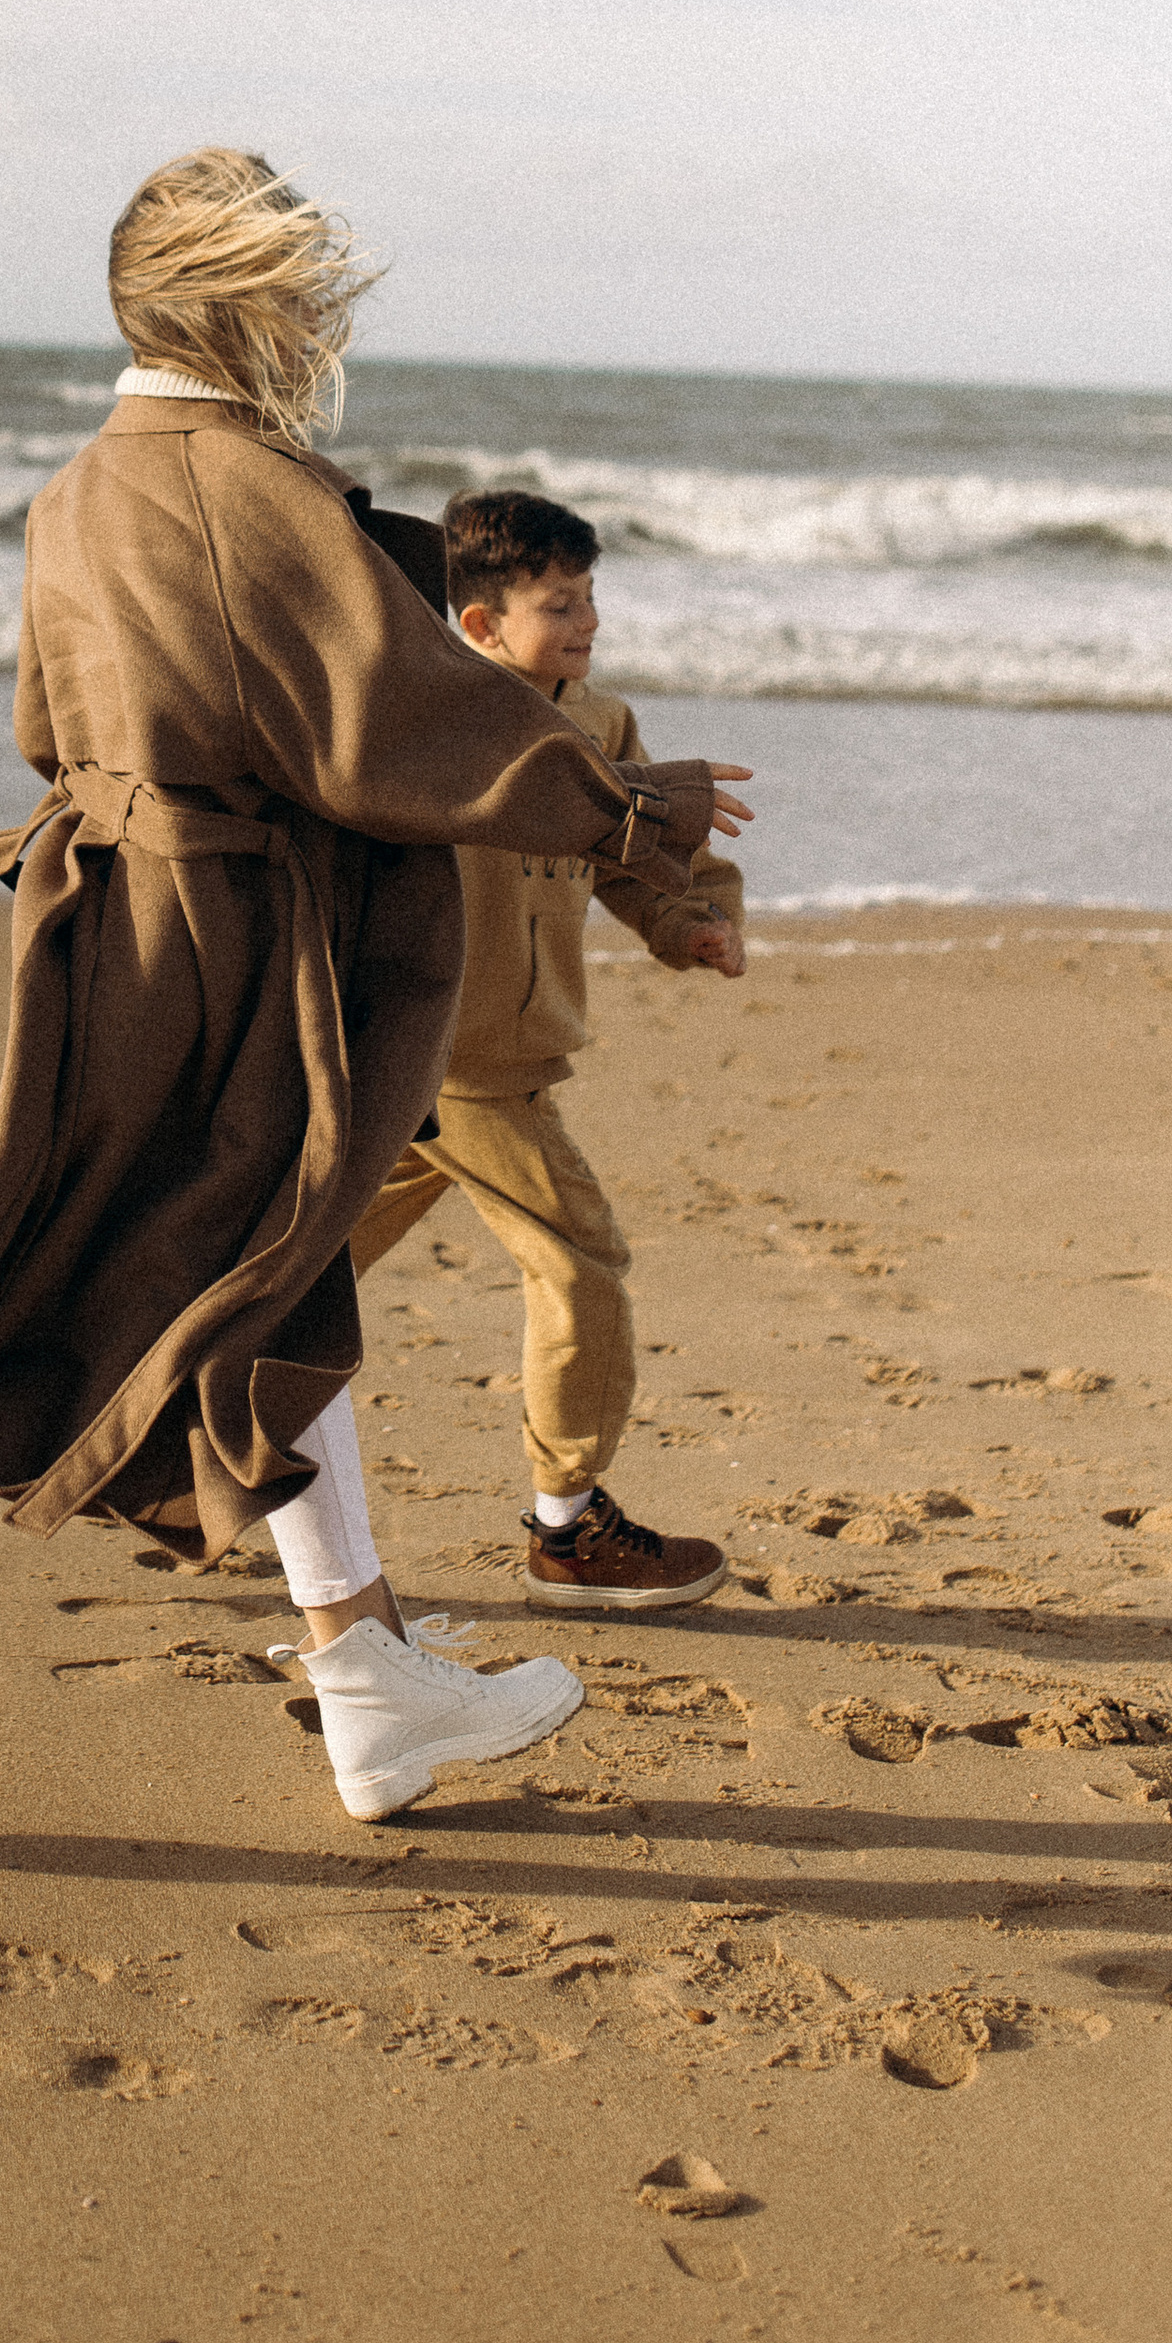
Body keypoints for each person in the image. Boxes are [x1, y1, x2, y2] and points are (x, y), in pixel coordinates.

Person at [0, 155, 754, 1822]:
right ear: (246, 303)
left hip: (120, 918)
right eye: (309, 294)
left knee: (253, 1275)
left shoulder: (81, 488)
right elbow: (398, 718)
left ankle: (364, 1680)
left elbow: (47, 723)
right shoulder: (241, 485)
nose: (325, 322)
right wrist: (633, 807)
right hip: (225, 947)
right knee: (53, 1278)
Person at [347, 487, 747, 1614]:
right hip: (456, 1064)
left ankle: (160, 1433)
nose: (587, 622)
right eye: (559, 604)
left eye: (591, 597)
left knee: (302, 1270)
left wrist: (689, 925)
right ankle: (567, 1534)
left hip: (473, 1068)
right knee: (581, 1266)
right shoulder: (429, 732)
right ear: (477, 626)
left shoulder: (602, 725)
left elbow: (640, 860)